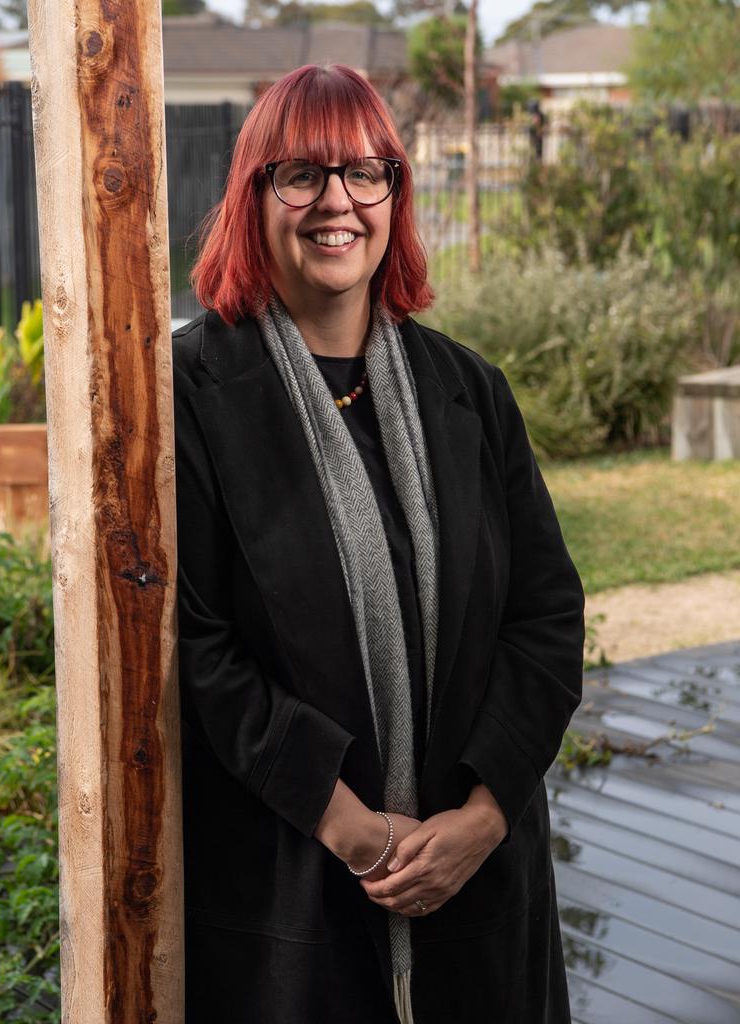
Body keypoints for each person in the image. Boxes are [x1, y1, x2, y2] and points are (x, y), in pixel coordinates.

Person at [172, 62, 585, 1024]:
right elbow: (193, 648)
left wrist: (482, 819)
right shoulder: (189, 395)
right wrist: (359, 834)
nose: (337, 202)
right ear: (252, 194)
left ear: (396, 195)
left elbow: (545, 612)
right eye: (302, 174)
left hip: (480, 881)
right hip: (292, 888)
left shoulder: (469, 391)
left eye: (367, 173)